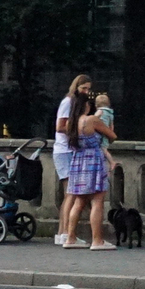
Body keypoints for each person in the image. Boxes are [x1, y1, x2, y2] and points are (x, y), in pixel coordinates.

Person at [61, 96, 115, 251]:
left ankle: (70, 237)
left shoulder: (71, 123)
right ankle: (97, 240)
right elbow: (112, 136)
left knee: (78, 201)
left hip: (78, 161)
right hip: (93, 160)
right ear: (85, 105)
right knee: (97, 201)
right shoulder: (91, 120)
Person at [52, 73, 93, 248]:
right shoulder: (68, 102)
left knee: (70, 193)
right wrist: (78, 130)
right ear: (76, 87)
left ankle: (63, 233)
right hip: (64, 151)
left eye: (88, 89)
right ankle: (65, 233)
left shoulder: (76, 103)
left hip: (69, 150)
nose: (86, 92)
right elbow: (60, 126)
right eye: (83, 88)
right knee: (71, 193)